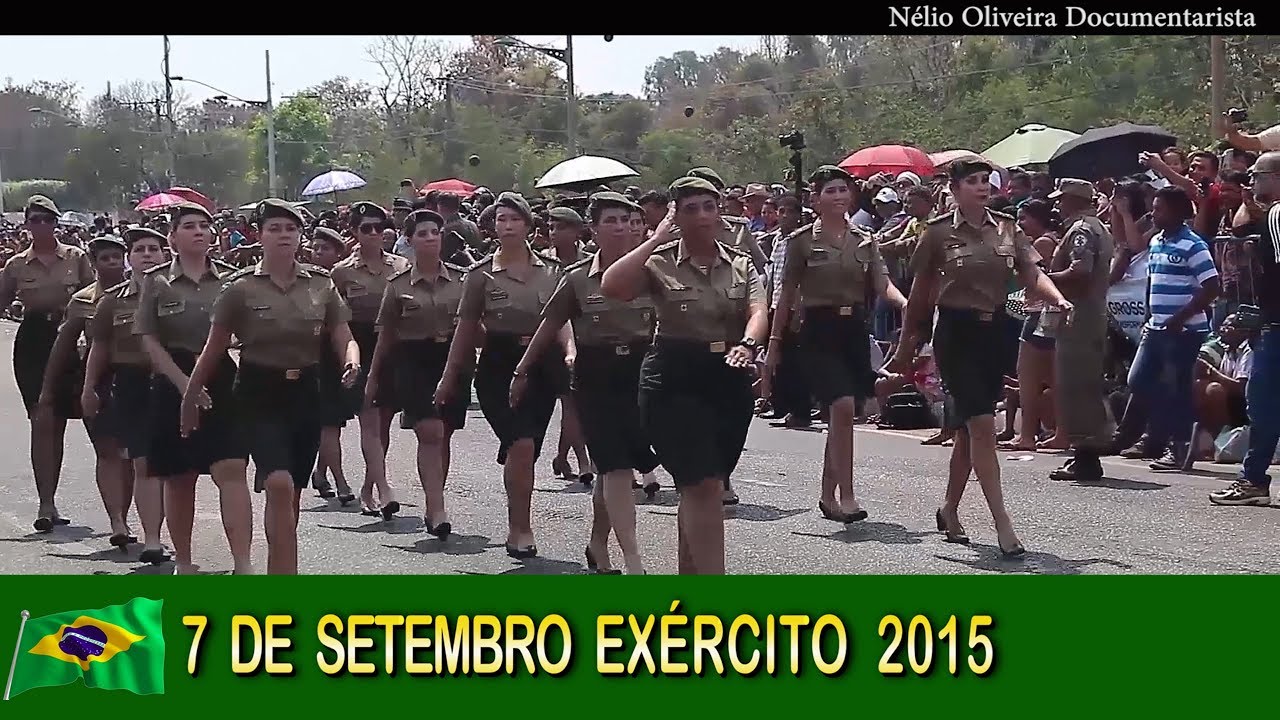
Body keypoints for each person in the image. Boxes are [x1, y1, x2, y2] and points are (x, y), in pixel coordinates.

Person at [887, 159, 1072, 556]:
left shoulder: (1006, 227)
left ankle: (949, 509)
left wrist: (1056, 297)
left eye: (985, 180)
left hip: (995, 333)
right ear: (954, 189)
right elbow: (920, 297)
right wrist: (906, 347)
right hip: (956, 334)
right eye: (972, 181)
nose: (982, 187)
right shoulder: (937, 234)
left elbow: (1030, 272)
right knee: (984, 427)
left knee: (971, 432)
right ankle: (1003, 525)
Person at [601, 176, 769, 575]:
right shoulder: (657, 262)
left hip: (728, 375)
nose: (703, 216)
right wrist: (654, 239)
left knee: (703, 486)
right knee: (703, 485)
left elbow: (759, 310)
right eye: (690, 208)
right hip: (673, 379)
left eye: (710, 206)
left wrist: (747, 344)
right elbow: (612, 285)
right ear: (676, 214)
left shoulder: (739, 262)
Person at [182, 199, 359, 575]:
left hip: (307, 391)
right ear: (259, 236)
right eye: (275, 229)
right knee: (277, 482)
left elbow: (343, 332)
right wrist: (190, 396)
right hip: (258, 392)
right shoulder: (240, 288)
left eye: (290, 229)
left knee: (290, 492)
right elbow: (214, 348)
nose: (284, 235)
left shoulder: (321, 284)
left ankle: (280, 572)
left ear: (300, 237)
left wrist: (351, 359)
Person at [512, 192, 657, 574]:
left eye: (628, 220)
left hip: (642, 372)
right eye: (611, 220)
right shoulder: (577, 278)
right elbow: (550, 324)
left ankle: (598, 542)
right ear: (593, 229)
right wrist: (522, 371)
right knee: (617, 468)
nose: (622, 227)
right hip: (596, 376)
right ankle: (633, 560)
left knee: (614, 471)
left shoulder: (655, 271)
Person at [766, 165, 907, 523]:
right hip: (817, 330)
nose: (839, 197)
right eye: (830, 191)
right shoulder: (800, 241)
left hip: (853, 330)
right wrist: (774, 344)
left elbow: (882, 284)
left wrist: (905, 304)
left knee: (843, 415)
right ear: (816, 199)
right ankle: (847, 493)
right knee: (842, 407)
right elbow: (786, 296)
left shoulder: (865, 239)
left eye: (843, 190)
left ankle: (828, 495)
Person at [436, 192, 564, 558]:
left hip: (542, 363)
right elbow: (465, 328)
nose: (506, 226)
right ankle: (519, 528)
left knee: (528, 447)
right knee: (520, 443)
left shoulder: (552, 271)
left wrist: (571, 355)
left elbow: (561, 321)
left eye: (514, 219)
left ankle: (519, 511)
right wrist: (449, 376)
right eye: (500, 219)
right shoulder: (480, 275)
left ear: (528, 225)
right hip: (497, 365)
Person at [135, 202, 252, 575]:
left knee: (231, 468)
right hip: (173, 379)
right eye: (189, 226)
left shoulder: (233, 280)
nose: (199, 231)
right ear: (173, 237)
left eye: (205, 225)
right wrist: (186, 386)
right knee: (179, 476)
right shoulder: (156, 281)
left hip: (220, 376)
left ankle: (243, 564)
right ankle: (184, 563)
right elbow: (150, 341)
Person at [367, 209, 471, 539]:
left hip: (452, 358)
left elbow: (474, 326)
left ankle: (432, 501)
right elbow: (386, 333)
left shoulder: (461, 279)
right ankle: (438, 507)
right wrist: (373, 376)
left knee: (445, 432)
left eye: (434, 232)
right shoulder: (397, 286)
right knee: (430, 431)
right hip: (412, 359)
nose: (429, 238)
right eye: (422, 233)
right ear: (409, 240)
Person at [0, 196, 97, 531]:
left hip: (72, 339)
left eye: (47, 219)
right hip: (34, 342)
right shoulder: (16, 265)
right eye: (35, 219)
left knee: (91, 421)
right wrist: (12, 307)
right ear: (26, 224)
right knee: (44, 421)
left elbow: (94, 297)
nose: (41, 225)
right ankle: (46, 503)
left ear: (57, 223)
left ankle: (119, 509)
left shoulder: (76, 257)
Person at [40, 234, 133, 546]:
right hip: (98, 379)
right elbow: (62, 347)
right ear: (93, 264)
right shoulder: (82, 301)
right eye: (105, 258)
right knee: (107, 451)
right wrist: (48, 391)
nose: (112, 263)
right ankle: (117, 521)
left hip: (135, 377)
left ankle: (127, 514)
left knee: (130, 455)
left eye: (117, 257)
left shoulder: (142, 293)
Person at [82, 227, 168, 561]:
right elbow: (99, 349)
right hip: (131, 383)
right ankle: (152, 539)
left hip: (173, 380)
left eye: (154, 249)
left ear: (165, 255)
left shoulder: (178, 294)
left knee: (175, 466)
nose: (147, 255)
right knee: (143, 461)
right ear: (129, 259)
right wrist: (89, 388)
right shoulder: (112, 301)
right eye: (140, 250)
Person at [1129, 186, 1221, 471]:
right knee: (1138, 380)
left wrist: (1180, 318)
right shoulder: (1155, 242)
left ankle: (1179, 447)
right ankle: (1164, 434)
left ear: (1179, 212)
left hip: (1184, 332)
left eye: (1160, 208)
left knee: (1177, 388)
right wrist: (1149, 315)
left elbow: (1212, 287)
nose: (1153, 213)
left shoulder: (1193, 245)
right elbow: (1152, 283)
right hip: (1155, 328)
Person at [332, 202, 410, 517]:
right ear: (354, 232)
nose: (375, 234)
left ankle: (369, 485)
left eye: (380, 227)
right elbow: (333, 319)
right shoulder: (342, 271)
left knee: (384, 422)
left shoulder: (401, 266)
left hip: (393, 346)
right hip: (359, 346)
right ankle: (384, 488)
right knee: (369, 420)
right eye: (366, 228)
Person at [1212, 151, 1280, 506]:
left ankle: (1252, 480)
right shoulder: (1266, 213)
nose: (1250, 180)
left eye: (1257, 174)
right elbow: (1239, 226)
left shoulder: (1279, 214)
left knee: (1264, 406)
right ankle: (1252, 477)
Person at [1044, 179, 1115, 483]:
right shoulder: (1095, 227)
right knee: (1080, 383)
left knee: (1077, 384)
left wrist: (1046, 278)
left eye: (1062, 200)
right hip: (1087, 314)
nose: (1058, 205)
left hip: (1080, 315)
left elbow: (1080, 270)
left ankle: (1086, 454)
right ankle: (1084, 451)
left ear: (1073, 199)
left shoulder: (1083, 229)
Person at [544, 206, 594, 485]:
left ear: (577, 231)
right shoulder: (543, 264)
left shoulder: (589, 262)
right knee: (568, 402)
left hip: (585, 337)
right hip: (551, 341)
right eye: (551, 227)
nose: (554, 233)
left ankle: (567, 457)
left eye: (561, 227)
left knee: (572, 403)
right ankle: (580, 460)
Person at [307, 228, 357, 505]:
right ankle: (340, 481)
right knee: (327, 424)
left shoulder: (343, 279)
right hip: (312, 357)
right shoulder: (307, 281)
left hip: (339, 357)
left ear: (339, 253)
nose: (319, 254)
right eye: (315, 248)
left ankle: (321, 473)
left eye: (325, 249)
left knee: (332, 423)